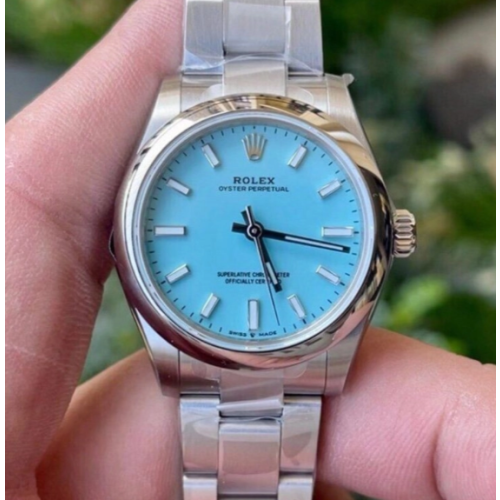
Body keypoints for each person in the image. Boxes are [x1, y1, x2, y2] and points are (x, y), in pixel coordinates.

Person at [5, 1, 496, 499]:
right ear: (124, 243)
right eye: (253, 231)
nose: (255, 231)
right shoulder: (207, 106)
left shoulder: (202, 107)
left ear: (392, 233)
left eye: (256, 231)